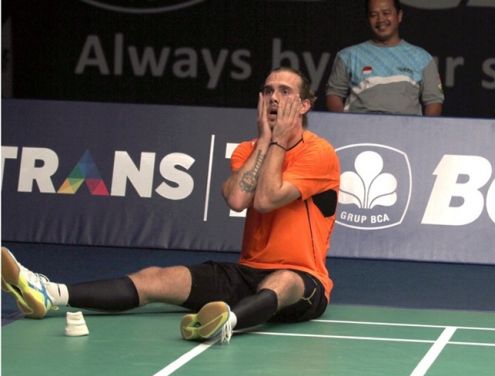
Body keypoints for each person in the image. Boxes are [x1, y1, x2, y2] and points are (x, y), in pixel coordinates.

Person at [1, 66, 341, 345]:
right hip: (246, 273)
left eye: (284, 91)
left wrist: (276, 140)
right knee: (156, 278)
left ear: (304, 106)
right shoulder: (247, 150)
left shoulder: (318, 152)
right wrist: (266, 140)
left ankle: (228, 322)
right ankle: (51, 293)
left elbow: (265, 200)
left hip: (304, 279)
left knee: (283, 281)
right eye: (268, 91)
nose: (273, 98)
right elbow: (238, 199)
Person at [326, 0, 444, 116]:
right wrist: (344, 123)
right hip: (359, 128)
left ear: (399, 15)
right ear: (368, 19)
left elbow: (434, 101)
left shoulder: (422, 58)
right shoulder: (348, 55)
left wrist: (423, 127)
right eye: (373, 15)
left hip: (407, 128)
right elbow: (334, 94)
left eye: (386, 13)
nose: (380, 19)